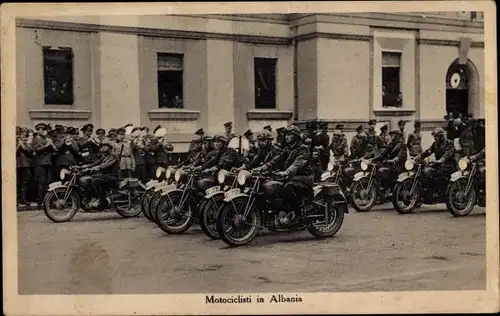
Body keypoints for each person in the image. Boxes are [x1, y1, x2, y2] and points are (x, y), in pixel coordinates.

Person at [253, 125, 314, 222]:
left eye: (289, 135)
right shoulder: (287, 149)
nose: (286, 137)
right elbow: (275, 161)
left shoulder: (303, 149)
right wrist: (260, 168)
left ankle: (297, 212)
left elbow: (298, 163)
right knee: (272, 186)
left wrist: (287, 172)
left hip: (304, 177)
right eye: (286, 135)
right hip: (291, 176)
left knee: (287, 186)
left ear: (295, 136)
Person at [79, 140, 120, 210]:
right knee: (88, 179)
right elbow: (95, 163)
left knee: (96, 181)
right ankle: (89, 199)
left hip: (112, 177)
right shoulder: (105, 156)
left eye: (105, 146)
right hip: (105, 176)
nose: (103, 148)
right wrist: (82, 167)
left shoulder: (113, 156)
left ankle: (102, 201)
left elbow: (104, 165)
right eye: (102, 146)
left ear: (110, 147)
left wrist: (94, 169)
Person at [371, 129, 408, 198]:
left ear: (398, 136)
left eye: (393, 134)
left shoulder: (402, 145)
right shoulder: (391, 144)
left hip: (400, 166)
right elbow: (384, 153)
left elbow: (400, 156)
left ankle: (389, 190)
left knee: (385, 172)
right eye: (391, 134)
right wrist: (373, 159)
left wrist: (393, 160)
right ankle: (381, 191)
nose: (392, 136)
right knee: (378, 169)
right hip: (391, 165)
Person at [32, 123, 56, 206]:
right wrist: (47, 145)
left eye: (43, 129)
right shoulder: (36, 139)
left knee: (48, 181)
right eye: (40, 130)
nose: (42, 131)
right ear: (37, 130)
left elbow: (54, 149)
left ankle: (47, 199)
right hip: (40, 163)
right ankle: (40, 199)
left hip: (47, 162)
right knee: (41, 182)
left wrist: (51, 145)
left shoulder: (47, 139)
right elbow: (37, 149)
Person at [16, 128, 34, 206]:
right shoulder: (15, 142)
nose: (23, 138)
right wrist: (18, 145)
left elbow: (30, 152)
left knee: (24, 182)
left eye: (24, 136)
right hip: (16, 164)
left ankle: (24, 199)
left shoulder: (26, 143)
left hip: (25, 164)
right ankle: (16, 200)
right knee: (16, 183)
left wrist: (27, 144)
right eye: (21, 136)